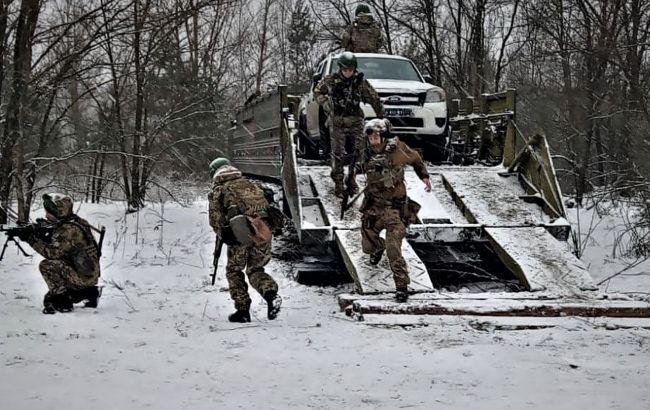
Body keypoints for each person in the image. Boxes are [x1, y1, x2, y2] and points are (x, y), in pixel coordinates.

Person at [357, 119, 432, 303]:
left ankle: (401, 286)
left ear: (383, 136)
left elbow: (415, 158)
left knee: (394, 249)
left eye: (376, 137)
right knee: (367, 247)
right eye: (370, 137)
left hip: (395, 210)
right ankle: (377, 248)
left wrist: (424, 176)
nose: (373, 140)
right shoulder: (365, 153)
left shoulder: (397, 150)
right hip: (374, 209)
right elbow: (359, 167)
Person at [207, 157, 282, 323]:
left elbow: (215, 220)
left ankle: (242, 311)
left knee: (234, 270)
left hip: (239, 235)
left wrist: (224, 234)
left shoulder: (220, 190)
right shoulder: (252, 184)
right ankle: (271, 295)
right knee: (255, 269)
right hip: (263, 232)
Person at [15, 193, 101, 314]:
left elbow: (51, 253)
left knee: (47, 265)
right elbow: (65, 245)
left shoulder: (67, 229)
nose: (46, 215)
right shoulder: (78, 221)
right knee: (50, 294)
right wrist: (40, 230)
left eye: (48, 213)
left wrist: (31, 239)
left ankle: (62, 301)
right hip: (89, 272)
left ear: (58, 212)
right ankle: (89, 293)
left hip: (83, 276)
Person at [313, 51, 384, 197]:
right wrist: (325, 103)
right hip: (337, 120)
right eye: (345, 70)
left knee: (360, 151)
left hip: (355, 120)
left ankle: (351, 178)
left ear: (354, 69)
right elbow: (318, 92)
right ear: (340, 68)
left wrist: (382, 117)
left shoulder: (360, 82)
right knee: (338, 153)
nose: (347, 73)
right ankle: (339, 183)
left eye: (350, 70)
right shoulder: (331, 80)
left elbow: (374, 98)